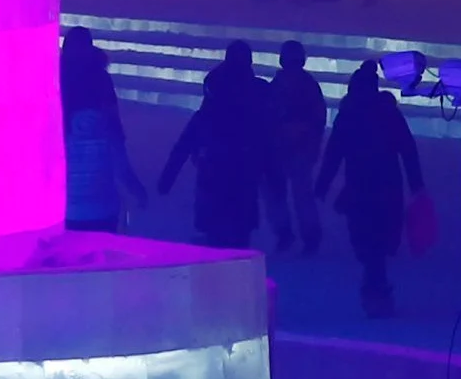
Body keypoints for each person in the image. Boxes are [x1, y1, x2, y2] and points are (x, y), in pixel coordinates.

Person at [312, 58, 425, 315]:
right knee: (380, 243)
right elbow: (408, 149)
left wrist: (323, 185)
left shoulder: (349, 115)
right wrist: (416, 183)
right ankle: (378, 290)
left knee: (367, 243)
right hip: (387, 187)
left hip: (359, 189)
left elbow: (333, 153)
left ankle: (374, 290)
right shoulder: (388, 113)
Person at [157, 41, 272, 248]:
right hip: (243, 174)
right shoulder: (257, 97)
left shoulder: (214, 97)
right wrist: (273, 176)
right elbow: (267, 141)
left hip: (214, 175)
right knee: (239, 237)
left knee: (216, 234)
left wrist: (167, 179)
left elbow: (185, 143)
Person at [60, 31, 141, 233]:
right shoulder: (100, 76)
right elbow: (112, 114)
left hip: (66, 207)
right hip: (104, 207)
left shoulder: (58, 74)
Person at [262, 42, 328, 256]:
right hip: (283, 148)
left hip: (296, 148)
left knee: (296, 195)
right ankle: (292, 234)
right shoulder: (292, 85)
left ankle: (303, 235)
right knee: (282, 193)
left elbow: (317, 120)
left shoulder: (300, 86)